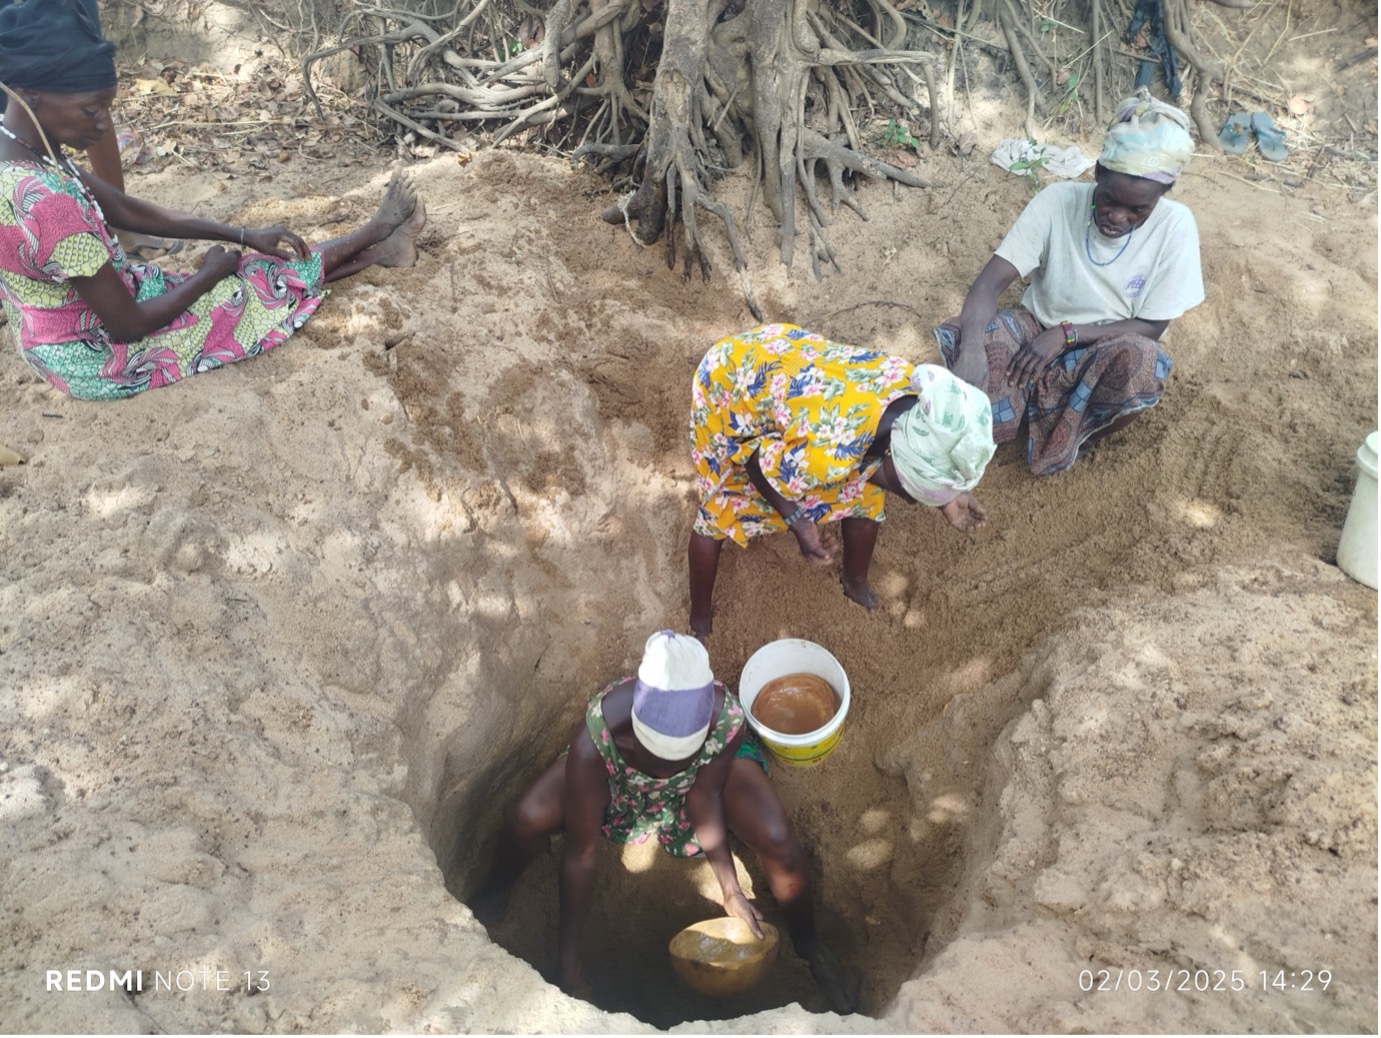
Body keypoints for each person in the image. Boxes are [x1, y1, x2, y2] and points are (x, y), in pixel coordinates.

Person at [0, 0, 426, 401]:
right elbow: (128, 325)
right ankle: (374, 237)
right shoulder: (47, 204)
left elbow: (124, 208)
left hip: (63, 327)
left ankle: (382, 250)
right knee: (248, 286)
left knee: (246, 271)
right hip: (98, 357)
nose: (102, 126)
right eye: (91, 110)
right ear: (34, 93)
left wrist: (241, 233)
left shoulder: (22, 144)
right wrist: (207, 273)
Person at [472, 630, 858, 1014]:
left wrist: (730, 889)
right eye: (655, 761)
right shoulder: (599, 733)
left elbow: (703, 796)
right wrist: (567, 962)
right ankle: (496, 886)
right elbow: (581, 852)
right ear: (635, 734)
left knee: (779, 840)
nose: (666, 774)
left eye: (678, 764)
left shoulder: (724, 719)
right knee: (528, 816)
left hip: (704, 782)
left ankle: (810, 942)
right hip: (619, 782)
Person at [938, 87, 1203, 476]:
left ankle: (1075, 431)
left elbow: (1152, 327)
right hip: (1032, 334)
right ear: (1097, 172)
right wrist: (974, 349)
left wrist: (1067, 334)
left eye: (1137, 209)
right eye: (1109, 199)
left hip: (1103, 345)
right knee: (978, 338)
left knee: (1145, 361)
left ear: (1164, 194)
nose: (1117, 216)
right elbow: (988, 286)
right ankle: (1025, 414)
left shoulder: (1176, 225)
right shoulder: (1058, 201)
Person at [687, 323, 995, 639]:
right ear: (892, 452)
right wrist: (798, 522)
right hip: (730, 384)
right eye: (909, 492)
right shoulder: (823, 453)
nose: (913, 503)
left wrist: (946, 492)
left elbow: (917, 457)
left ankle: (854, 581)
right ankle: (699, 618)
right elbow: (756, 464)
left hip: (790, 365)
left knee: (867, 496)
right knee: (721, 507)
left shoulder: (923, 401)